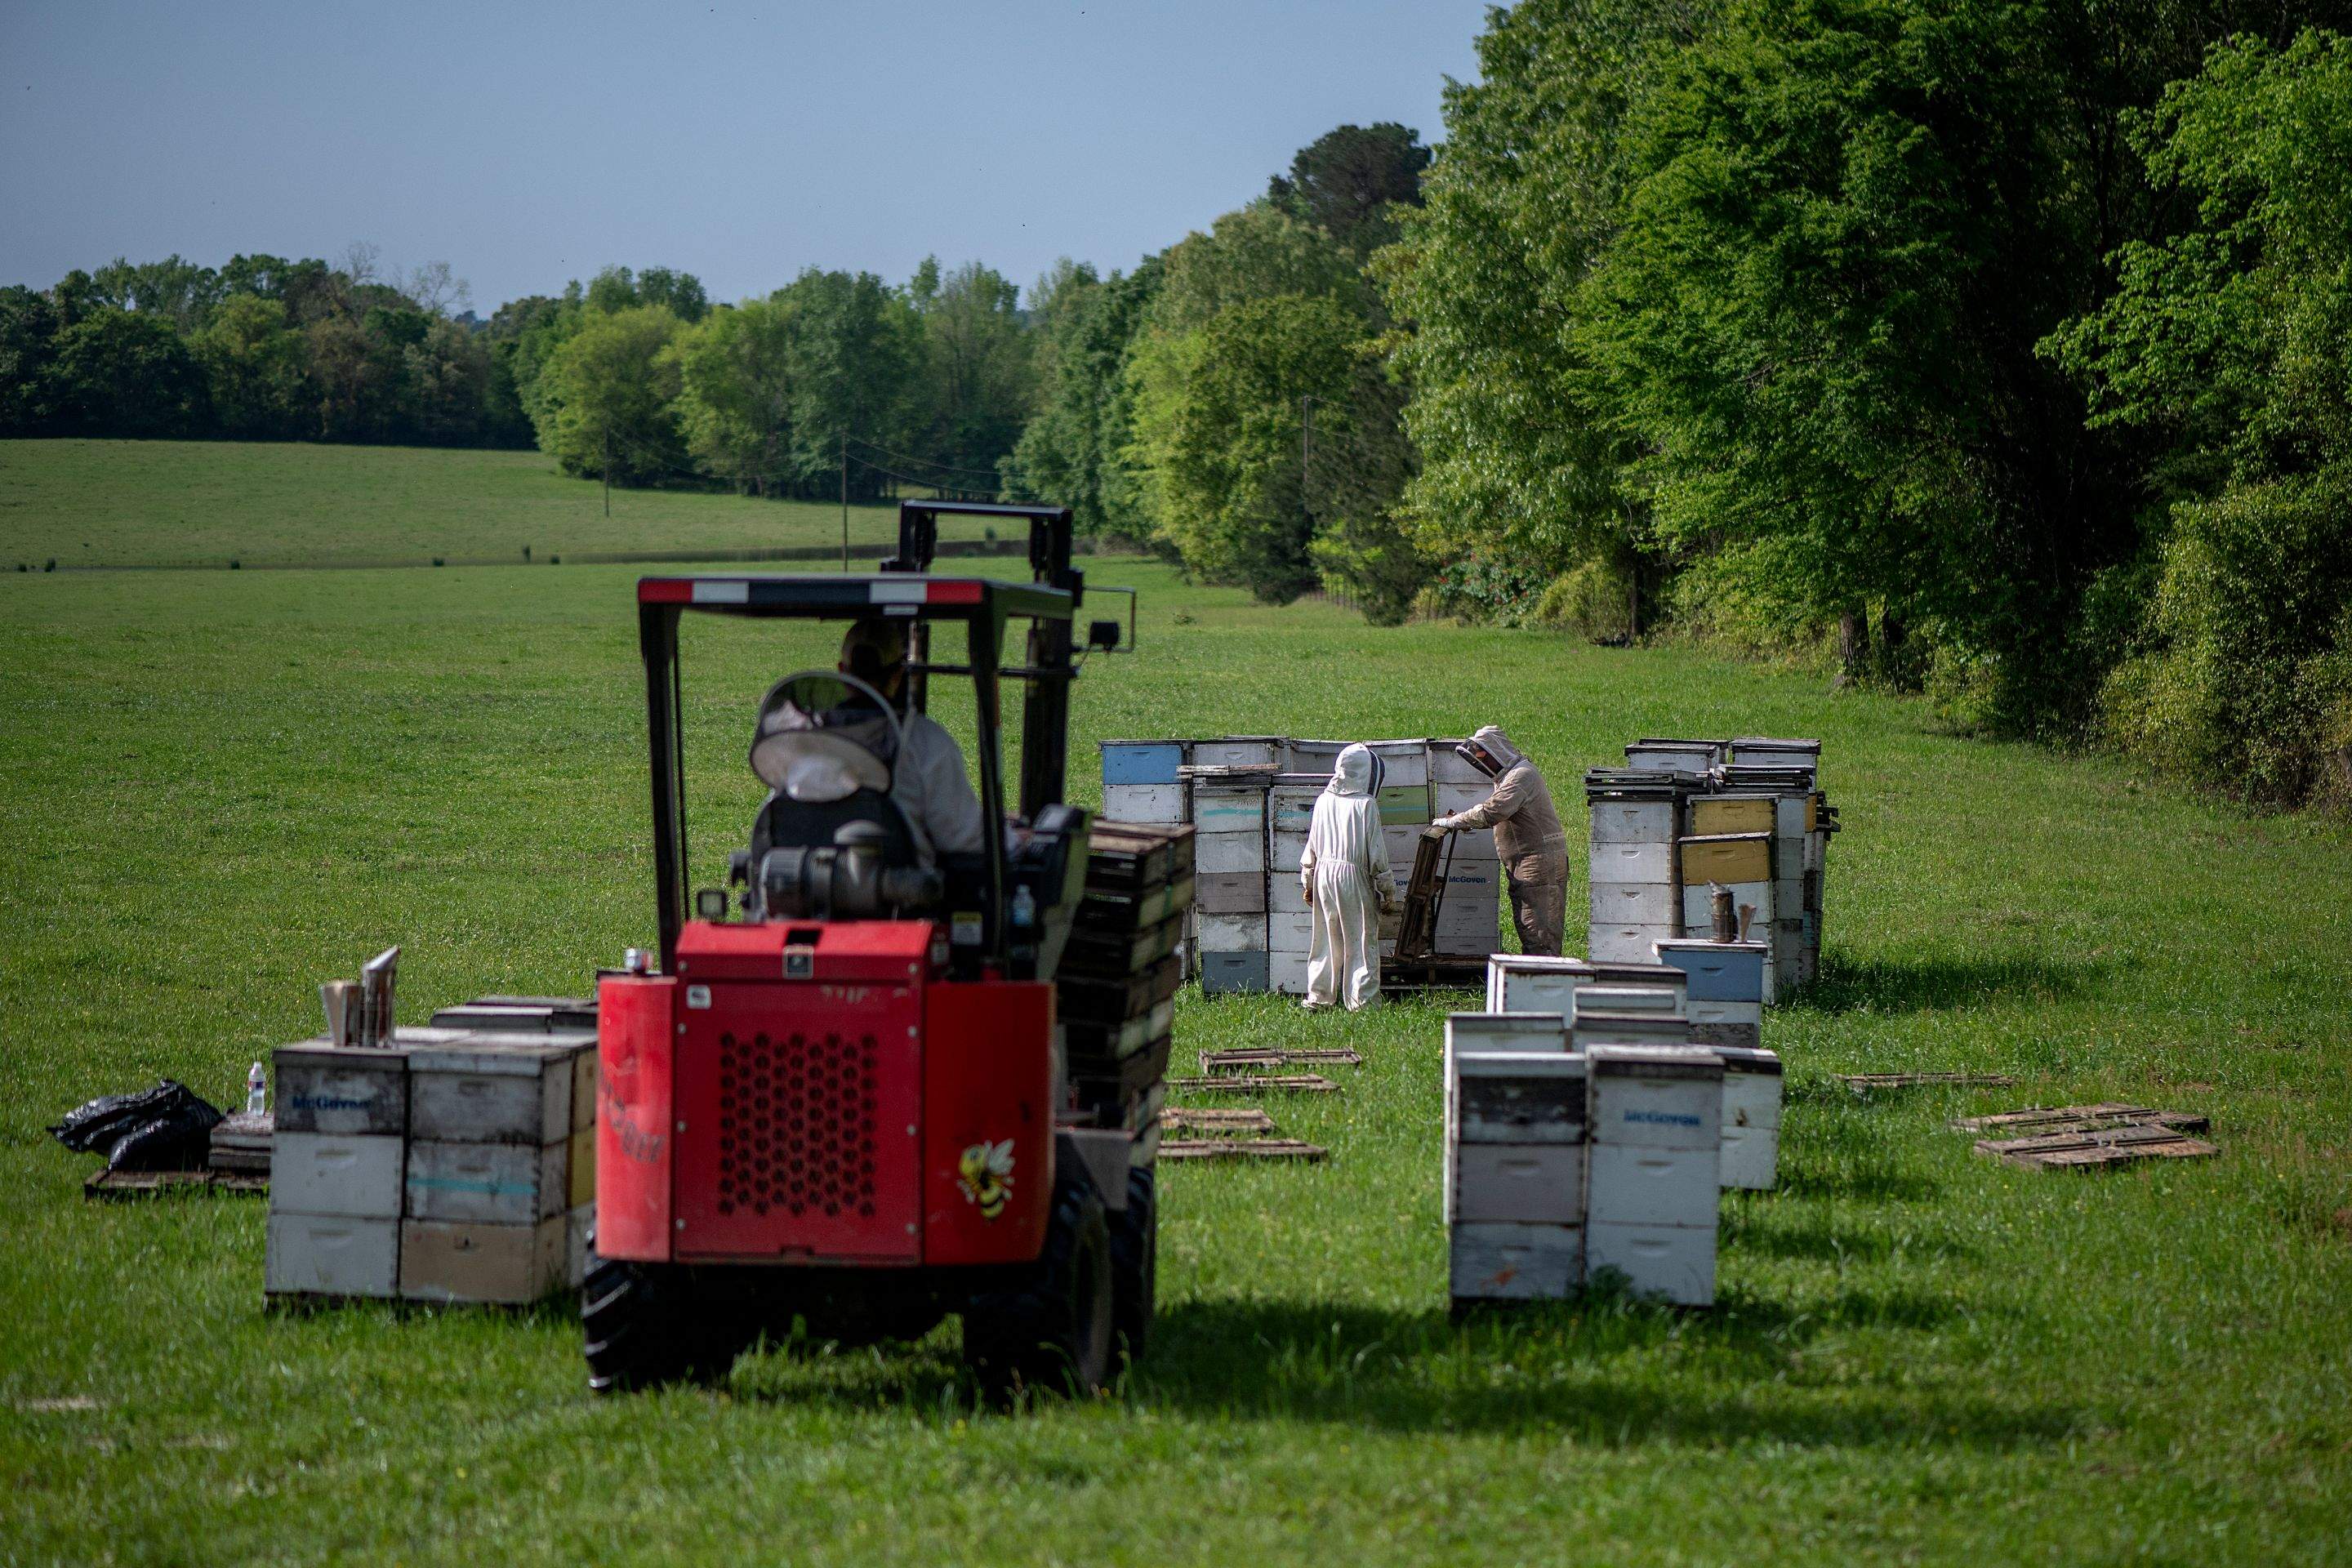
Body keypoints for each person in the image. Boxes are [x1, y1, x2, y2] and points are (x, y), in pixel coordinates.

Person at [837, 616, 987, 862]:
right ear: (898, 675)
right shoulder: (927, 742)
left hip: (805, 890)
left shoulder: (802, 737)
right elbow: (963, 840)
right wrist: (1012, 837)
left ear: (842, 671)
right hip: (900, 896)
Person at [1432, 725, 1569, 956]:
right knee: (1530, 929)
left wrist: (1453, 822)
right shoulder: (1512, 776)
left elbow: (1491, 812)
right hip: (1529, 862)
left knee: (1539, 935)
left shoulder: (1521, 776)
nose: (1483, 766)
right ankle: (1537, 983)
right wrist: (1463, 820)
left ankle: (1544, 986)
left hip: (1538, 863)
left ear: (1495, 751)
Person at [1299, 743, 1400, 1011]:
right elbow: (1376, 854)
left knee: (1324, 938)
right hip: (1353, 876)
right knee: (1362, 937)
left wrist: (1308, 881)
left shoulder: (1323, 801)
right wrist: (1388, 891)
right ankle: (1363, 1002)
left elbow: (1312, 846)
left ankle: (1319, 997)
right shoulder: (1366, 805)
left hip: (1323, 875)